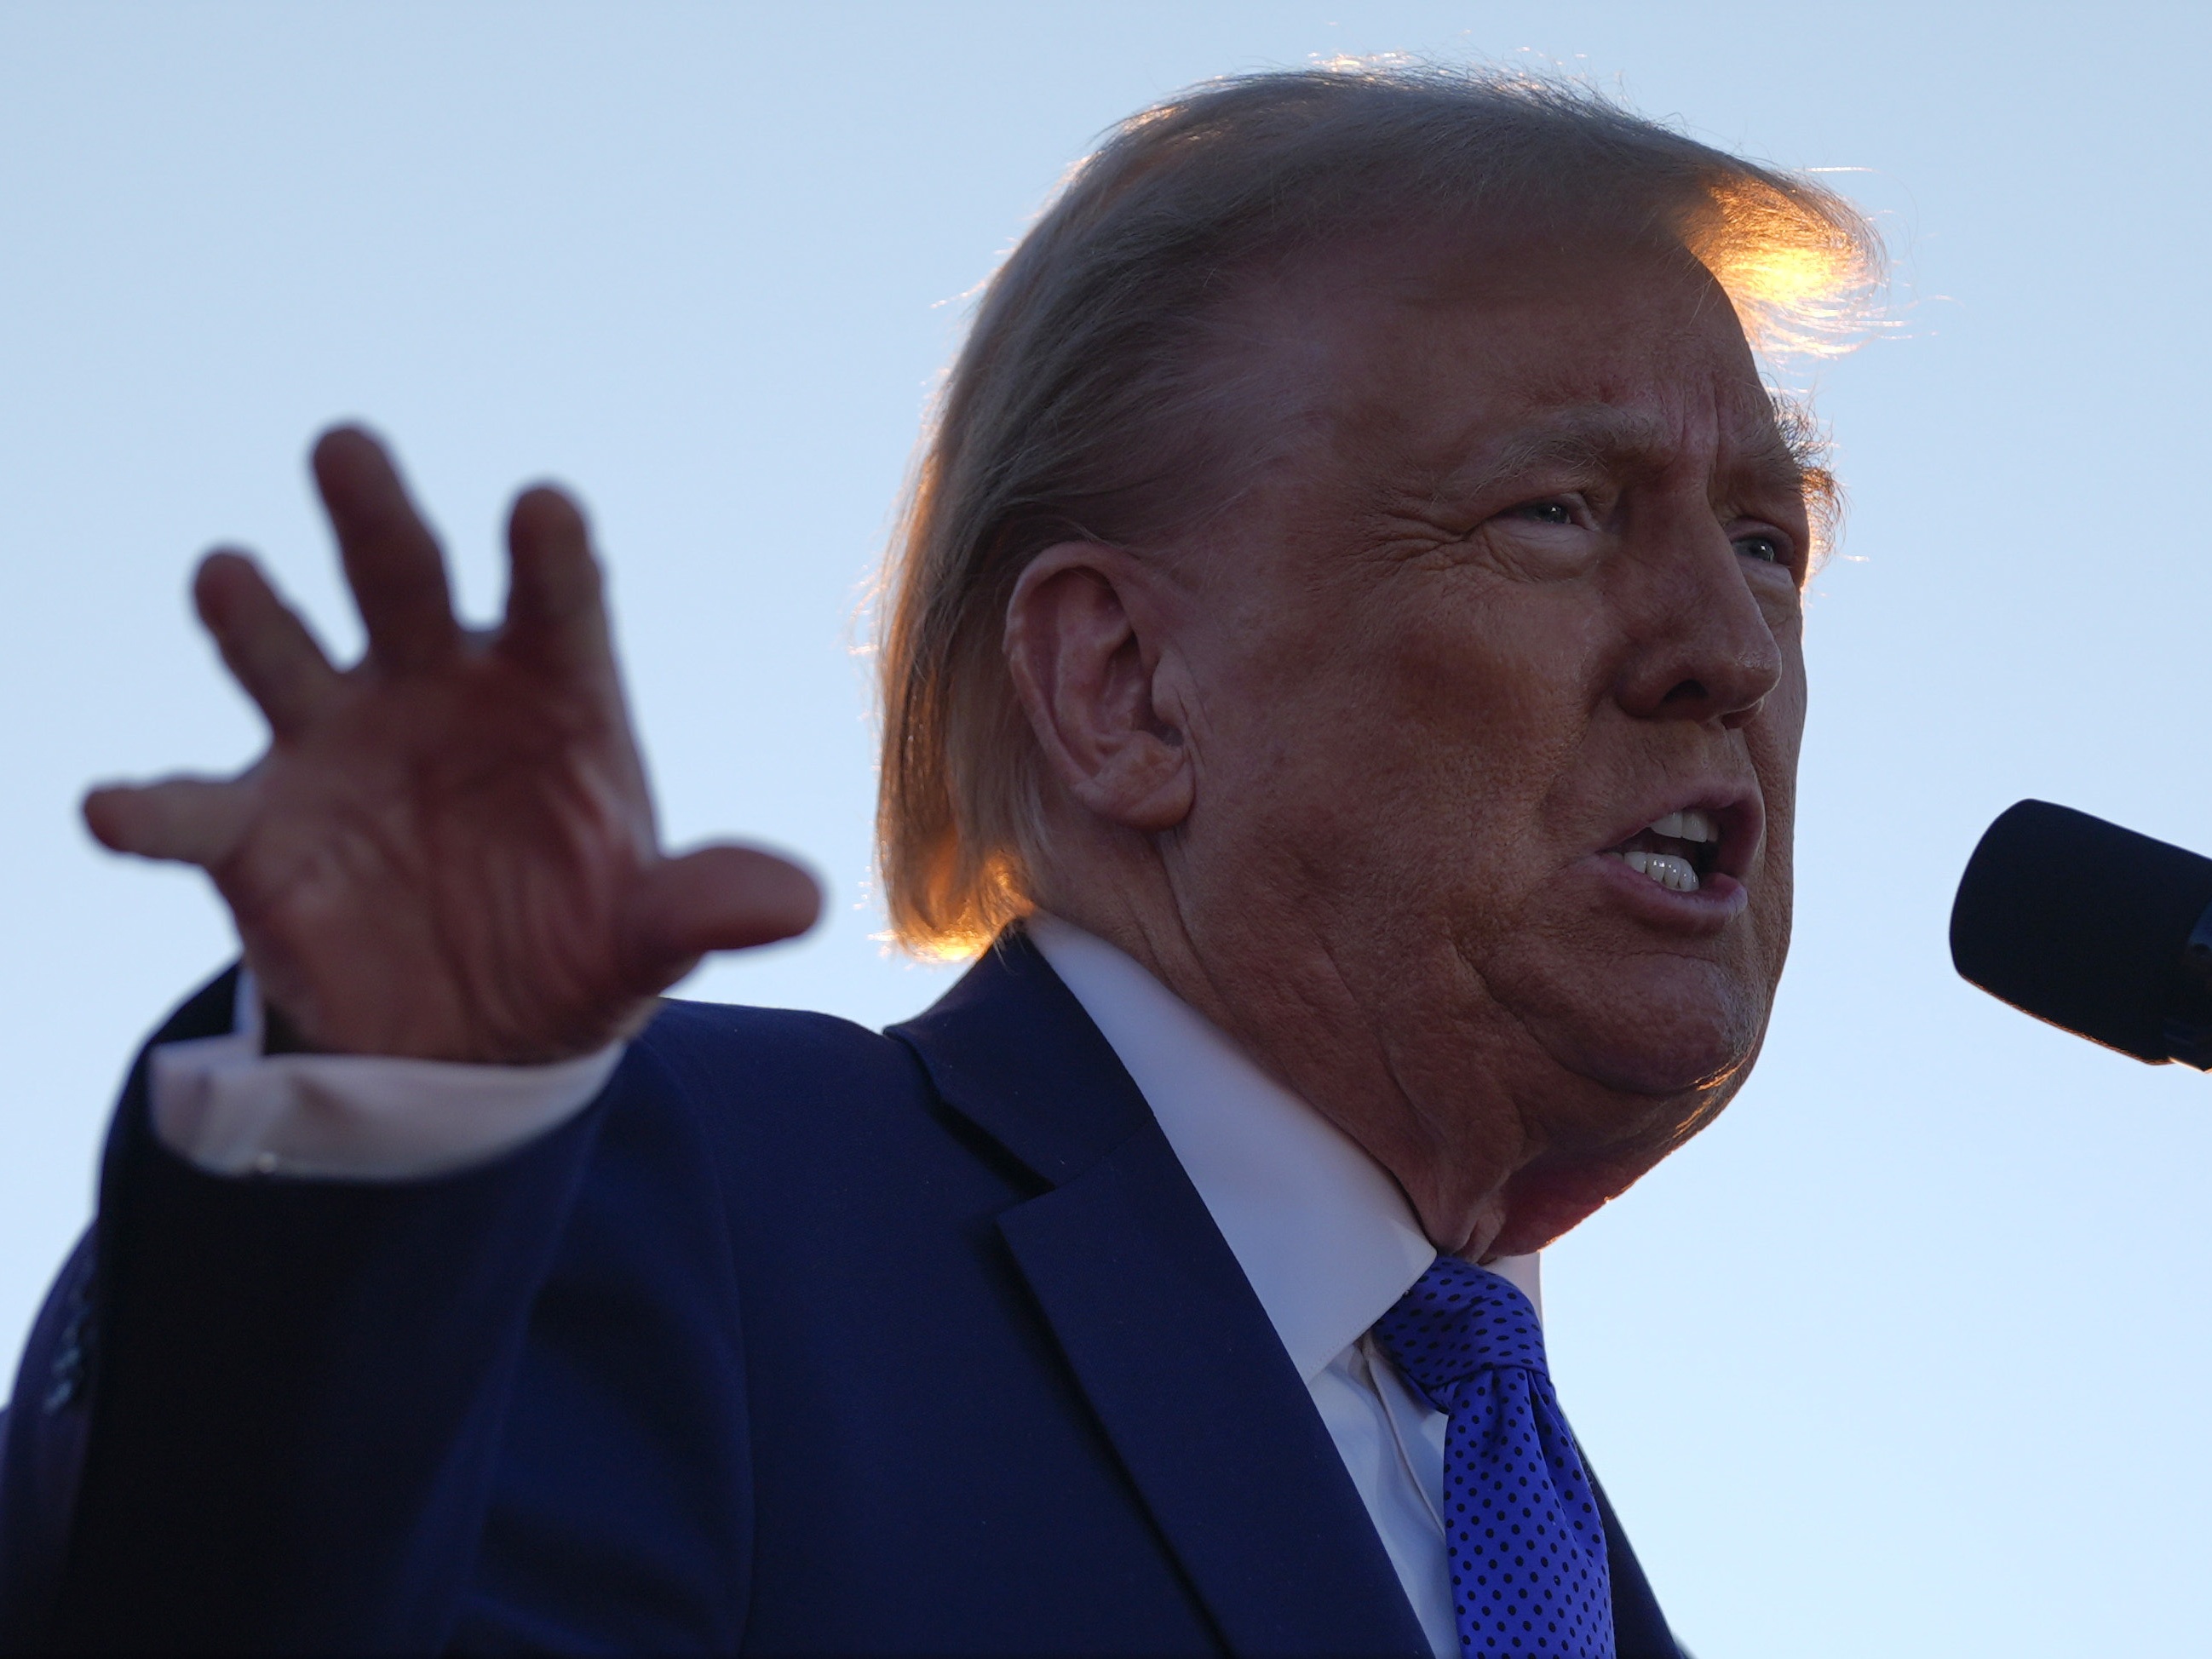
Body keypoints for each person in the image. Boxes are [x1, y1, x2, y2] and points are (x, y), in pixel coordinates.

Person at [0, 64, 1876, 1657]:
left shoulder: (1553, 1547)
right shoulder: (676, 1200)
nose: (1727, 645)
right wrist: (378, 1123)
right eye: (1556, 511)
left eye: (1765, 541)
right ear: (1124, 684)